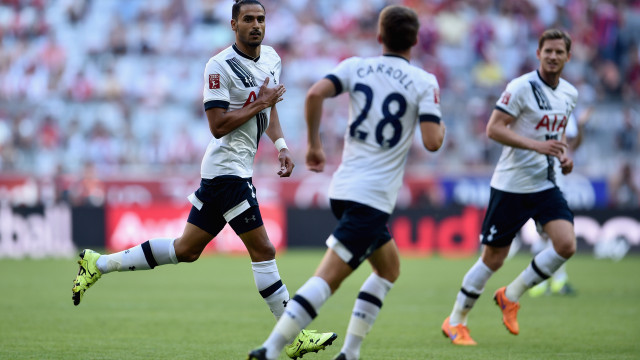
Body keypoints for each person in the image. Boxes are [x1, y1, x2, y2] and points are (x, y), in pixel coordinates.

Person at [71, 1, 336, 357]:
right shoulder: (219, 65)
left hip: (230, 173)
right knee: (264, 250)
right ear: (233, 24)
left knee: (187, 249)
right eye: (248, 19)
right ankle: (294, 337)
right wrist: (261, 103)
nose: (256, 25)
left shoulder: (272, 57)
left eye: (261, 19)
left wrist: (282, 145)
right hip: (227, 171)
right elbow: (218, 125)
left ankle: (97, 263)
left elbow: (268, 108)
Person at [249, 5, 445, 360]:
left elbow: (313, 94)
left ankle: (351, 353)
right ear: (416, 40)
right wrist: (437, 116)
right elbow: (432, 142)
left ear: (379, 36)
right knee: (329, 278)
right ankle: (270, 349)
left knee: (389, 269)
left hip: (343, 189)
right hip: (371, 198)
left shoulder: (356, 65)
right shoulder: (424, 81)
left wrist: (314, 144)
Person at [441, 29, 578, 346]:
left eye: (559, 52)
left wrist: (564, 156)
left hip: (545, 183)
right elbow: (493, 129)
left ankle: (511, 295)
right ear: (538, 54)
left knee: (566, 244)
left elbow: (558, 137)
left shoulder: (570, 93)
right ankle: (456, 321)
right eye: (548, 51)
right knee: (493, 259)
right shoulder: (521, 87)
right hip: (511, 185)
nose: (553, 56)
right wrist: (535, 146)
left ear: (568, 57)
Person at [528, 106, 591, 297]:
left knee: (551, 232)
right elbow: (572, 145)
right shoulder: (555, 109)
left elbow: (571, 145)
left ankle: (551, 281)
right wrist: (580, 124)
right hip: (545, 177)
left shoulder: (558, 109)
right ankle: (543, 281)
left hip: (546, 177)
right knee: (551, 232)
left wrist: (579, 124)